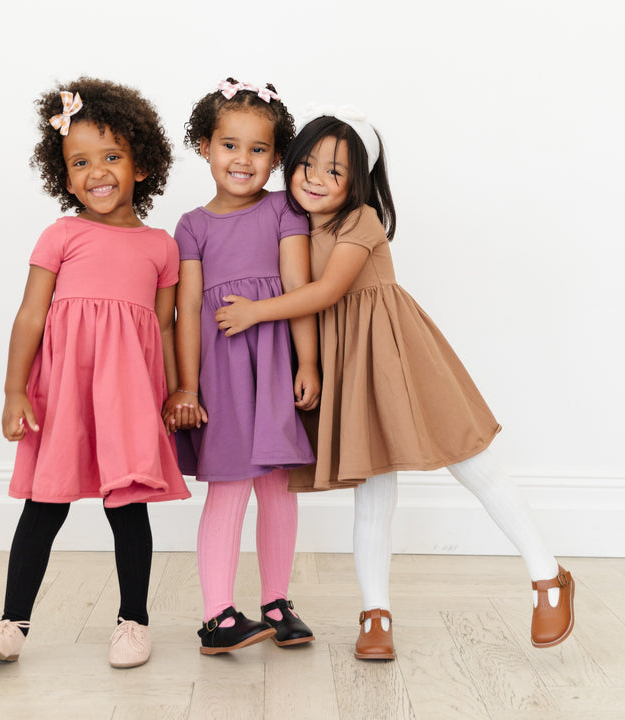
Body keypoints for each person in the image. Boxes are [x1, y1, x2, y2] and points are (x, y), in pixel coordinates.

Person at [214, 107, 575, 660]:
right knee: (373, 490)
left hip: (396, 354)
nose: (315, 178)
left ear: (359, 181)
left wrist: (257, 312)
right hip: (346, 363)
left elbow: (328, 291)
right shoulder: (288, 219)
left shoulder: (361, 220)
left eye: (334, 172)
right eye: (306, 163)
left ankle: (547, 576)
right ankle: (375, 612)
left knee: (470, 460)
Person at [0, 77, 190, 669]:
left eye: (112, 156)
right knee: (44, 505)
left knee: (128, 508)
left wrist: (175, 392)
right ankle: (13, 622)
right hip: (64, 396)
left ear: (142, 164)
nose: (97, 172)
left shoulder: (161, 247)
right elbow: (30, 315)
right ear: (64, 176)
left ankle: (133, 621)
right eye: (81, 162)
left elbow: (165, 328)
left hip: (127, 398)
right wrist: (15, 388)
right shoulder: (61, 235)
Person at [163, 79, 320, 655]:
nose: (243, 160)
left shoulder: (283, 208)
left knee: (278, 486)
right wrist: (185, 384)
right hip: (221, 373)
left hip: (274, 363)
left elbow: (299, 285)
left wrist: (309, 362)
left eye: (258, 150)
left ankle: (277, 601)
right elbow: (186, 312)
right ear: (204, 146)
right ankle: (216, 616)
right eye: (230, 145)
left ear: (277, 158)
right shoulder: (192, 226)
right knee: (228, 489)